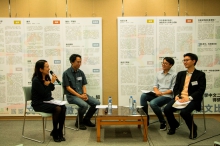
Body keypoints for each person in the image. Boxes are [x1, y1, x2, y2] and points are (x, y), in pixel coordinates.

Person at [164, 53, 206, 139]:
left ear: (193, 61)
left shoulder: (200, 75)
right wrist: (176, 95)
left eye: (187, 60)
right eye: (184, 60)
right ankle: (174, 125)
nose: (185, 62)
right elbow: (176, 87)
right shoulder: (181, 74)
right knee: (167, 109)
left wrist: (189, 98)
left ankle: (193, 129)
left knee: (184, 112)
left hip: (192, 99)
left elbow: (201, 90)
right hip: (180, 98)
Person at [31, 60, 66, 142]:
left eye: (48, 66)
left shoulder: (46, 76)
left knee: (63, 107)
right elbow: (43, 93)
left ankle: (59, 131)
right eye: (46, 67)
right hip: (39, 103)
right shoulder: (36, 80)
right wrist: (51, 82)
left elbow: (52, 88)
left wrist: (50, 82)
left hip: (48, 101)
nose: (48, 68)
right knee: (57, 109)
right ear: (41, 69)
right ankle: (55, 132)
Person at [62, 54, 100, 130]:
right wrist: (80, 96)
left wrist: (85, 94)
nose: (79, 64)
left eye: (80, 62)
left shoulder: (81, 73)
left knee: (97, 103)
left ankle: (86, 119)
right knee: (84, 105)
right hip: (71, 96)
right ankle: (79, 122)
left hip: (82, 94)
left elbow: (83, 85)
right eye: (77, 62)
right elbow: (68, 88)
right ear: (72, 62)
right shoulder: (66, 73)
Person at [140, 57, 176, 130]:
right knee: (144, 96)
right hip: (158, 94)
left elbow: (173, 89)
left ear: (171, 65)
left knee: (153, 103)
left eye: (165, 63)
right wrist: (156, 91)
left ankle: (162, 122)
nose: (163, 64)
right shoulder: (158, 73)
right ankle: (146, 118)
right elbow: (155, 85)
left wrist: (162, 93)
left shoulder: (174, 75)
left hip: (167, 96)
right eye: (162, 63)